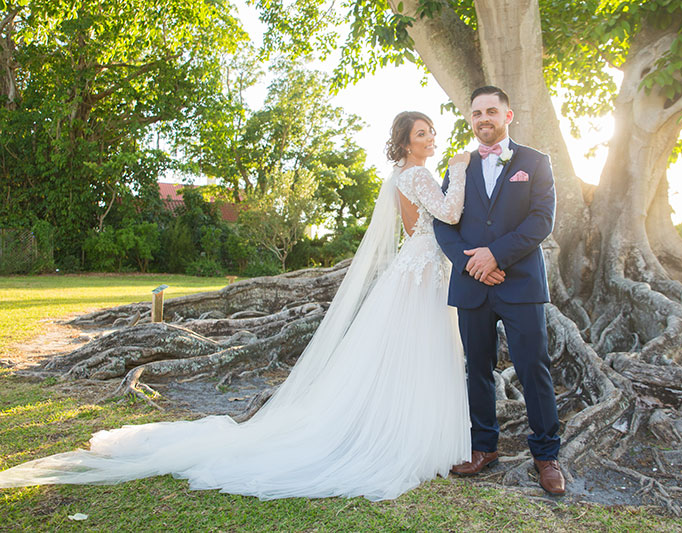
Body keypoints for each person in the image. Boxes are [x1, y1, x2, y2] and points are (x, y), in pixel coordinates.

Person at [0, 111, 473, 502]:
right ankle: (405, 435)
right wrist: (462, 170)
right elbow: (449, 214)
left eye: (432, 131)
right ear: (405, 143)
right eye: (422, 133)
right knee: (419, 349)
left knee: (413, 352)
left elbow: (419, 230)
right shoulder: (419, 174)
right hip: (422, 272)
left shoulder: (403, 177)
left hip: (420, 268)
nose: (431, 138)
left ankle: (406, 427)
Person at [433, 86, 565, 495]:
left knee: (533, 369)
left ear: (508, 116)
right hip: (472, 285)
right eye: (476, 113)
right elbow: (442, 221)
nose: (483, 118)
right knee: (478, 368)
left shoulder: (535, 162)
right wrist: (473, 263)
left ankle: (546, 456)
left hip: (520, 283)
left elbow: (542, 219)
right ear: (470, 119)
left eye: (492, 111)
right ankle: (483, 447)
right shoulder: (459, 164)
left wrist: (495, 255)